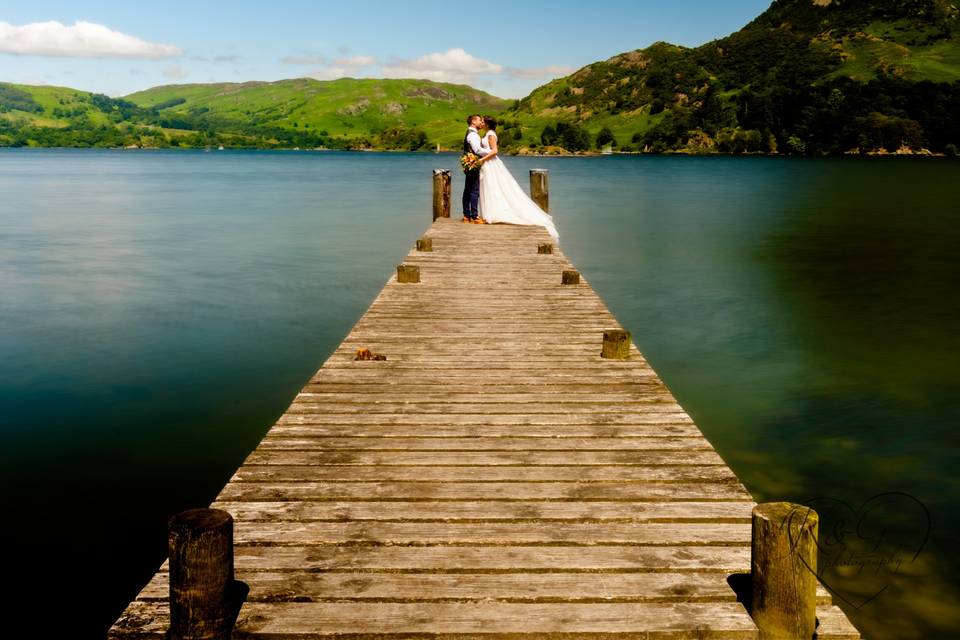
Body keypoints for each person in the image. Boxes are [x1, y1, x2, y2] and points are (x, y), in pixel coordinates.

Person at [477, 116, 559, 241]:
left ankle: (494, 214)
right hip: (488, 163)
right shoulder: (487, 133)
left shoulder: (491, 134)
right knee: (490, 187)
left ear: (488, 124)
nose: (481, 123)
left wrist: (481, 160)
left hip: (491, 163)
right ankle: (489, 214)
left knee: (495, 187)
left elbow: (495, 151)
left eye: (483, 121)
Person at [461, 114, 490, 223]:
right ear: (473, 121)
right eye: (479, 120)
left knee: (468, 189)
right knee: (474, 190)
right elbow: (477, 150)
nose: (481, 122)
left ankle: (466, 215)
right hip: (472, 163)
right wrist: (490, 152)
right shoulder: (473, 135)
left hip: (469, 162)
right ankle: (474, 216)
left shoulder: (470, 133)